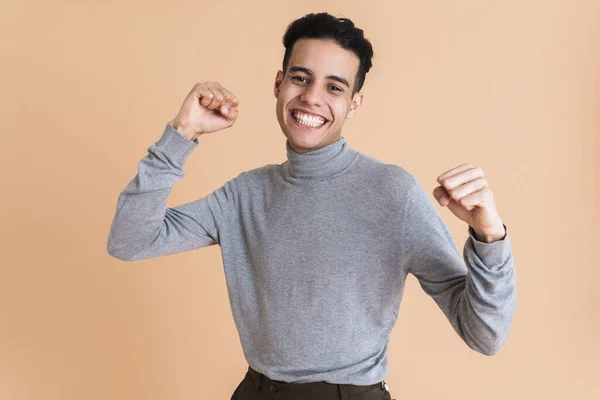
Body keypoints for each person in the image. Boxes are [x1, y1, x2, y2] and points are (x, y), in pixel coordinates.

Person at [107, 12, 517, 400]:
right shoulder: (245, 195)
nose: (311, 98)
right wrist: (182, 133)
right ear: (278, 84)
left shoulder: (393, 194)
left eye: (335, 87)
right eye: (300, 78)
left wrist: (489, 236)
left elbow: (484, 334)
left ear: (354, 104)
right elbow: (130, 239)